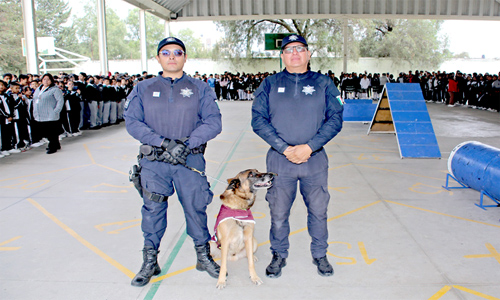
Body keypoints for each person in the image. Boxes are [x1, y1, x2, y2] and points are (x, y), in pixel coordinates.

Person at [124, 37, 222, 287]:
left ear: (185, 57)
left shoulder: (200, 88)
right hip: (155, 163)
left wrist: (186, 144)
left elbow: (213, 121)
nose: (171, 57)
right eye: (165, 53)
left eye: (177, 52)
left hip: (189, 161)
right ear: (158, 58)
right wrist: (163, 142)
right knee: (152, 211)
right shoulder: (143, 87)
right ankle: (150, 261)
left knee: (196, 208)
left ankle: (203, 256)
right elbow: (133, 122)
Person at [251, 34, 344, 278]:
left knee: (318, 211)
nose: (294, 53)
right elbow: (258, 120)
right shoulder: (270, 84)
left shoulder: (324, 83)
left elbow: (335, 119)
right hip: (280, 160)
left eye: (300, 48)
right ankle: (279, 254)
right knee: (278, 212)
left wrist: (310, 147)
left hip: (315, 159)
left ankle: (320, 254)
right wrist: (284, 148)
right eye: (289, 49)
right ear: (282, 56)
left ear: (308, 54)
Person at [32, 73, 64, 154]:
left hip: (50, 114)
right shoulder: (38, 89)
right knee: (47, 131)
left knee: (51, 132)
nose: (46, 81)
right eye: (44, 79)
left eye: (48, 79)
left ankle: (52, 146)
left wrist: (55, 111)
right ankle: (56, 144)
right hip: (40, 114)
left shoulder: (55, 89)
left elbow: (60, 101)